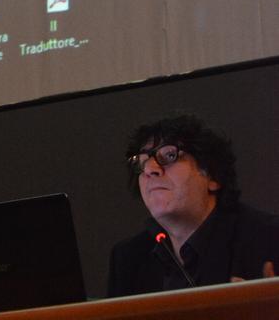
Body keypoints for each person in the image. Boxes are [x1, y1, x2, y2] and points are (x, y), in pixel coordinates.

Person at [107, 114, 279, 297]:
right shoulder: (128, 258)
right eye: (142, 163)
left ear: (212, 176)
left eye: (170, 155)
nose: (149, 170)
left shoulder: (270, 238)